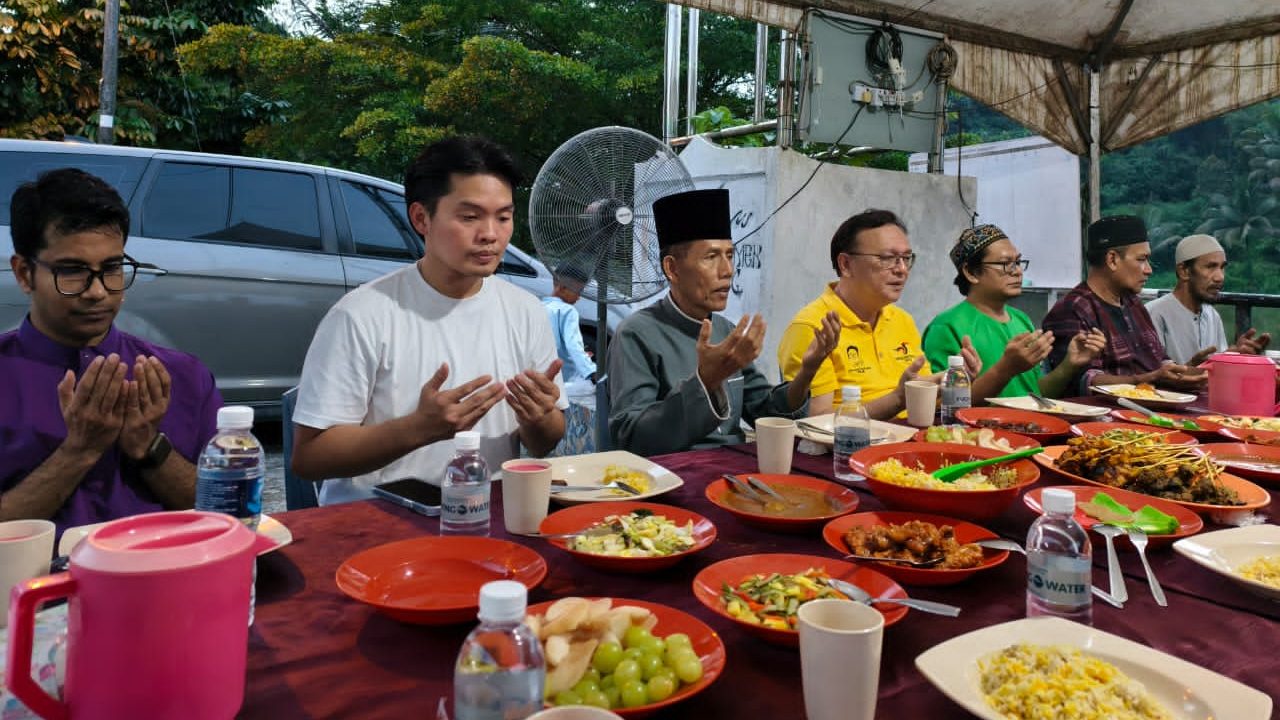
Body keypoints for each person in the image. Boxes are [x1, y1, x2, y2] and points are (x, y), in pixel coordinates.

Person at [291, 136, 566, 503]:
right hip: (377, 525)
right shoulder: (361, 315)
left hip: (486, 516)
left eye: (503, 217)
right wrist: (419, 429)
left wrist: (539, 416)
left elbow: (544, 441)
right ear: (421, 218)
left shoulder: (526, 310)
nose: (490, 234)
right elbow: (310, 458)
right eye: (469, 217)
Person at [0, 169, 221, 535]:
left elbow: (224, 513)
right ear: (24, 274)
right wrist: (79, 451)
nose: (98, 292)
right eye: (72, 271)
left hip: (166, 583)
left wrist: (150, 447)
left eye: (112, 268)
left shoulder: (182, 376)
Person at [608, 188, 839, 455]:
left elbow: (766, 413)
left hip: (732, 467)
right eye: (711, 257)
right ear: (672, 268)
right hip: (672, 475)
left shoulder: (725, 330)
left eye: (730, 255)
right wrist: (706, 380)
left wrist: (807, 372)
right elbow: (631, 436)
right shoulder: (636, 334)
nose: (727, 271)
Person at [777, 209, 979, 419]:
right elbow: (818, 421)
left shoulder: (901, 320)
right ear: (846, 264)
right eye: (887, 258)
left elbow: (919, 390)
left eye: (906, 258)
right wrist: (899, 399)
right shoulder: (814, 326)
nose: (902, 269)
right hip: (849, 446)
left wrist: (955, 380)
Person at [922, 224, 1106, 400]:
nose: (1017, 271)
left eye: (1018, 262)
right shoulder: (946, 327)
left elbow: (1034, 394)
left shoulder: (1021, 320)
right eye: (1005, 264)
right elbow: (946, 402)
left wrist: (1069, 365)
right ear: (971, 272)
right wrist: (1006, 368)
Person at [1042, 215, 1205, 393]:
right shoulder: (1073, 309)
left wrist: (1201, 370)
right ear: (1112, 259)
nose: (1148, 270)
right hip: (1106, 416)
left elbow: (1159, 360)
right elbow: (1085, 383)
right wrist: (1147, 379)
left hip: (1151, 410)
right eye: (1141, 259)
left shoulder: (1133, 303)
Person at [1146, 234, 1271, 365]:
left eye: (1222, 267)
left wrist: (1235, 356)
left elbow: (1213, 369)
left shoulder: (1212, 316)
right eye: (1210, 267)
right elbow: (1151, 376)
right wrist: (1194, 368)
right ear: (1184, 271)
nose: (1220, 277)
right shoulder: (1153, 314)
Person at [542, 264, 597, 384]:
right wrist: (591, 371)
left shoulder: (539, 306)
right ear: (562, 288)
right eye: (578, 291)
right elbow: (574, 345)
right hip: (563, 379)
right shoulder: (567, 311)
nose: (579, 297)